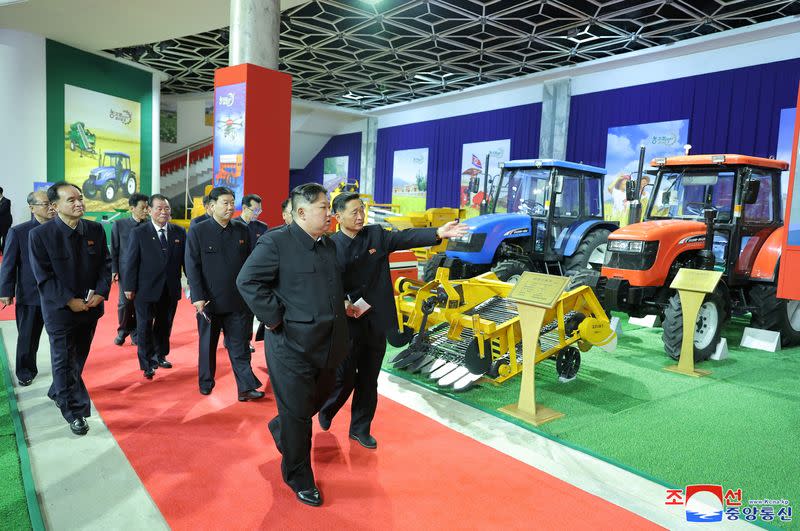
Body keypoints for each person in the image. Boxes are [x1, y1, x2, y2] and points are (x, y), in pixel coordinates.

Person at [319, 192, 468, 448]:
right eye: (353, 211)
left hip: (376, 319)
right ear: (338, 216)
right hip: (348, 323)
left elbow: (405, 236)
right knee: (344, 378)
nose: (360, 215)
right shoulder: (330, 246)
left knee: (369, 378)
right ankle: (327, 408)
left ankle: (360, 429)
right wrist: (342, 301)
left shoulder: (376, 234)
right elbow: (326, 283)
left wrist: (437, 233)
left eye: (362, 210)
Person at [237, 183, 349, 507]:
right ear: (301, 212)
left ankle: (282, 424)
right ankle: (299, 476)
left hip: (328, 343)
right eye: (324, 208)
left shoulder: (326, 245)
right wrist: (273, 319)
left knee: (321, 396)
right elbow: (247, 281)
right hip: (290, 346)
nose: (330, 214)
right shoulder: (275, 242)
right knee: (299, 416)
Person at [29, 182, 111, 436]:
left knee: (78, 358)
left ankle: (59, 390)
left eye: (80, 198)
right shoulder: (40, 236)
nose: (79, 204)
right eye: (71, 200)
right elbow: (44, 277)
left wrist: (100, 292)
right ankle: (74, 412)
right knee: (64, 359)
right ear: (54, 206)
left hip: (90, 309)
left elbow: (105, 265)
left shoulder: (95, 230)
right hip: (60, 311)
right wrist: (68, 301)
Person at [185, 186, 263, 400]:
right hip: (209, 302)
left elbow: (250, 263)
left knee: (239, 346)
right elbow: (192, 266)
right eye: (225, 203)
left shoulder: (241, 230)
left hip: (237, 301)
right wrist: (198, 297)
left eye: (232, 203)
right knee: (207, 346)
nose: (230, 207)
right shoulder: (198, 230)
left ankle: (246, 388)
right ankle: (206, 381)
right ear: (211, 206)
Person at [123, 195, 186, 379]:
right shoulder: (139, 232)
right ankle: (147, 362)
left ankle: (161, 355)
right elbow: (131, 261)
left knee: (164, 325)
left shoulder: (179, 232)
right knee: (144, 326)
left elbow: (186, 262)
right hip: (145, 289)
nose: (163, 212)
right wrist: (129, 286)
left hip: (170, 288)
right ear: (149, 210)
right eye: (159, 208)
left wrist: (193, 283)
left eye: (166, 208)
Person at [0, 191, 56, 386]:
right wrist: (6, 291)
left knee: (61, 338)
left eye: (52, 203)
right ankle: (25, 370)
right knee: (27, 337)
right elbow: (8, 264)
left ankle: (63, 371)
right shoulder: (18, 232)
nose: (51, 207)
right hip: (30, 295)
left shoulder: (60, 230)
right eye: (45, 204)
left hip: (57, 295)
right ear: (32, 208)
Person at [111, 192, 149, 346]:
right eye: (143, 208)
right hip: (126, 271)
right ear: (132, 208)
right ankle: (123, 330)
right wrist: (114, 270)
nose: (146, 210)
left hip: (146, 272)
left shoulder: (149, 225)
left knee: (141, 304)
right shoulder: (119, 225)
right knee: (125, 303)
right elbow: (114, 249)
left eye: (147, 207)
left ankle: (136, 333)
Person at [0, 187, 12, 253]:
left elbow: (2, 211)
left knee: (5, 237)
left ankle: (4, 251)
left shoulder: (6, 201)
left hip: (5, 223)